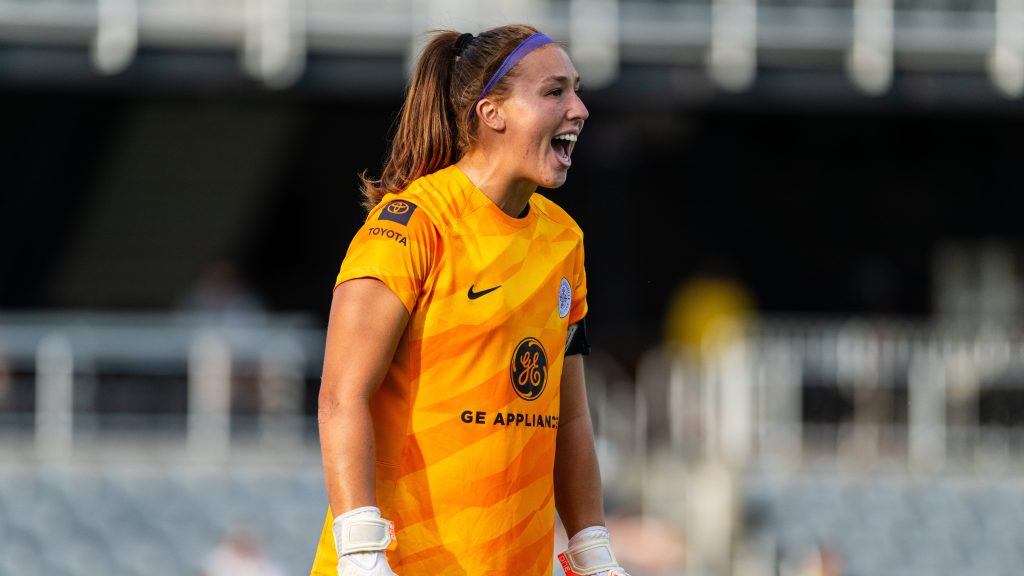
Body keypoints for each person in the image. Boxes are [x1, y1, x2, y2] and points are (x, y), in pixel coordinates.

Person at [310, 25, 630, 576]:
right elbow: (342, 396)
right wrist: (361, 554)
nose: (578, 109)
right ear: (492, 113)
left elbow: (570, 417)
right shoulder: (412, 226)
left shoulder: (564, 239)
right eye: (554, 92)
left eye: (575, 91)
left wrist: (591, 548)